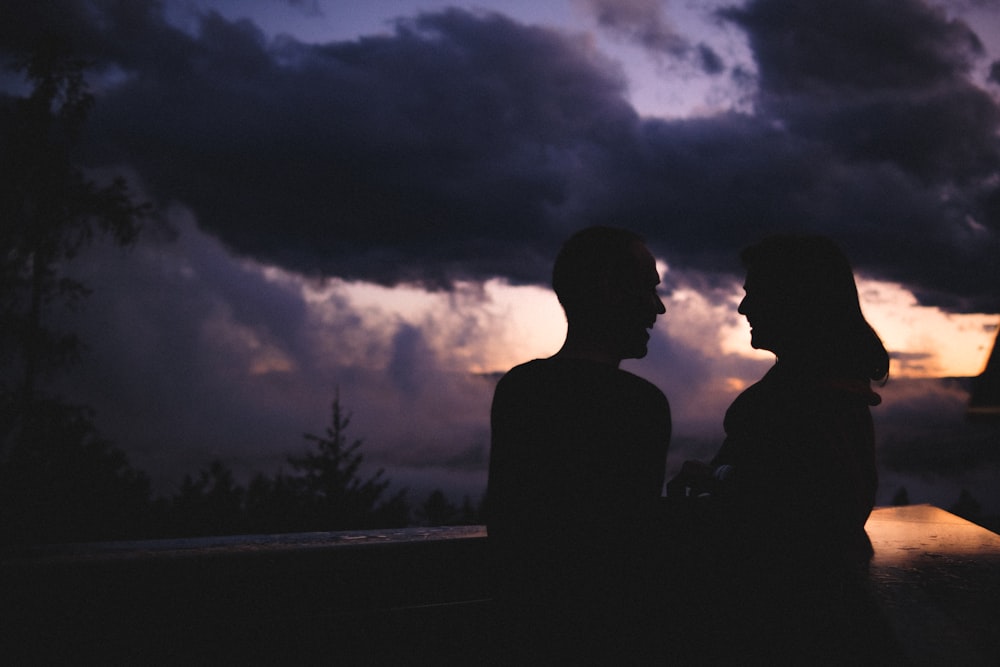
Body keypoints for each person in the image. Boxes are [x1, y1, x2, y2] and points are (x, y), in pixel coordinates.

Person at [670, 234, 898, 663]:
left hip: (780, 625)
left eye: (754, 295)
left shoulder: (807, 399)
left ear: (795, 300)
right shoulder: (826, 390)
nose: (743, 308)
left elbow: (818, 508)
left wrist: (717, 479)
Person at [486, 226, 671, 664]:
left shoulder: (519, 389)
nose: (658, 308)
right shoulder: (641, 406)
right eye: (648, 290)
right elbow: (631, 543)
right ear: (609, 290)